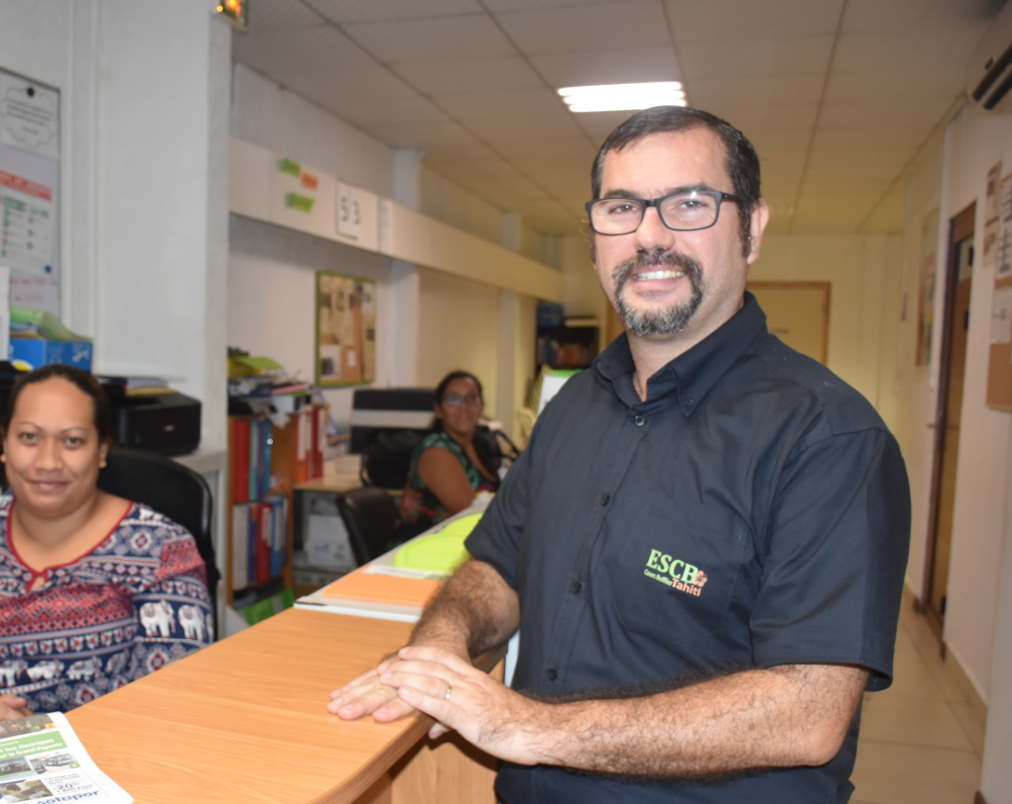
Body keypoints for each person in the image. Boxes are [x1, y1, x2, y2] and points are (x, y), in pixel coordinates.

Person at [328, 106, 910, 802]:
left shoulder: (829, 439)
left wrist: (529, 727)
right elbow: (497, 569)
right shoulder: (575, 407)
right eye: (622, 207)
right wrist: (440, 650)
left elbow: (807, 713)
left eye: (689, 204)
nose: (650, 236)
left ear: (751, 227)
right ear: (596, 232)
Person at [0, 364, 213, 736]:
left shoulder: (161, 549)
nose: (48, 462)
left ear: (102, 449)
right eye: (29, 437)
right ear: (4, 443)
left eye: (72, 440)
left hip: (103, 767)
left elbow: (172, 700)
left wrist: (37, 737)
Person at [397, 371, 501, 538]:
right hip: (427, 550)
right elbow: (471, 513)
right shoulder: (435, 452)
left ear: (481, 407)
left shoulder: (477, 444)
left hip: (465, 543)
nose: (464, 406)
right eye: (454, 399)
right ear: (439, 410)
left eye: (472, 398)